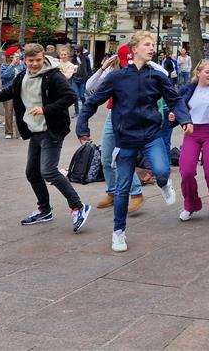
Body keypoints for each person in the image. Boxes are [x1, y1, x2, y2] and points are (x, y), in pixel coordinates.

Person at [77, 31, 192, 252]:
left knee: (161, 170)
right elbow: (92, 102)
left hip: (151, 135)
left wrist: (184, 119)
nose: (152, 48)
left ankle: (163, 183)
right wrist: (82, 126)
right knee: (121, 189)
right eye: (147, 44)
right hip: (126, 139)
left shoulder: (157, 76)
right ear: (134, 49)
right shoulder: (117, 77)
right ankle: (118, 233)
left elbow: (175, 100)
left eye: (153, 45)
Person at [0, 43, 90, 231]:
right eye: (31, 61)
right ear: (24, 60)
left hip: (52, 129)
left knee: (49, 171)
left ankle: (78, 206)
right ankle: (44, 210)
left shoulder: (54, 76)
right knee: (32, 173)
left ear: (43, 57)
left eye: (38, 60)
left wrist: (45, 109)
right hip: (35, 130)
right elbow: (7, 92)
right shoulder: (22, 76)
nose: (35, 64)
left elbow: (69, 97)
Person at [85, 47, 145, 214]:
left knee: (121, 157)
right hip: (113, 116)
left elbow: (163, 74)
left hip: (132, 116)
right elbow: (89, 88)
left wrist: (148, 61)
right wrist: (103, 67)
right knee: (105, 157)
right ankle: (112, 192)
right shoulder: (112, 71)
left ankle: (136, 193)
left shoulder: (142, 71)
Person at [177, 60, 209, 221]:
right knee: (186, 171)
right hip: (191, 133)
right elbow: (178, 108)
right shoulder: (187, 89)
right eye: (207, 72)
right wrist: (174, 117)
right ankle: (190, 204)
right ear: (198, 72)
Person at [0, 47, 24, 139]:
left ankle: (20, 133)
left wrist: (20, 63)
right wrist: (12, 64)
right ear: (10, 56)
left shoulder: (21, 65)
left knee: (19, 112)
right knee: (8, 112)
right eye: (15, 55)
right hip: (8, 91)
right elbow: (4, 76)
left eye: (17, 55)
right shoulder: (4, 65)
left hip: (20, 91)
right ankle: (9, 132)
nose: (17, 56)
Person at [70, 44, 91, 116]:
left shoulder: (86, 58)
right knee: (75, 96)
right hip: (75, 79)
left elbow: (89, 70)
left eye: (78, 51)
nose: (76, 53)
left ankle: (85, 110)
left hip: (83, 80)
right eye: (75, 51)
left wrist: (88, 79)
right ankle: (76, 112)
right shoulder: (73, 59)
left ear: (81, 51)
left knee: (82, 96)